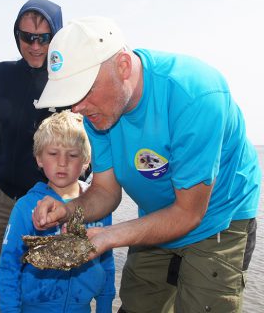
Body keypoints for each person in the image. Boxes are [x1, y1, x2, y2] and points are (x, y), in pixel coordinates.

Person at [32, 16, 261, 313]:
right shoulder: (98, 114)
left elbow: (188, 213)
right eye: (71, 97)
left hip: (218, 218)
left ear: (123, 67)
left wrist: (109, 236)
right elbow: (105, 191)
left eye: (84, 91)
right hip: (157, 216)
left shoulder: (195, 95)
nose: (77, 108)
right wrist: (68, 210)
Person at [0, 0, 64, 297]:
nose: (35, 45)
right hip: (1, 194)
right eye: (27, 36)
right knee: (2, 285)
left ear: (57, 36)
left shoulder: (67, 82)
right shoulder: (1, 73)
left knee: (45, 288)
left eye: (44, 37)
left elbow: (85, 145)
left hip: (46, 202)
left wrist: (66, 193)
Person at [0, 110, 115, 312]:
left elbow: (106, 260)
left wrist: (104, 305)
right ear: (39, 159)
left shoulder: (99, 204)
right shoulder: (26, 207)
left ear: (86, 160)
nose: (62, 162)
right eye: (53, 153)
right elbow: (9, 266)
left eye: (73, 155)